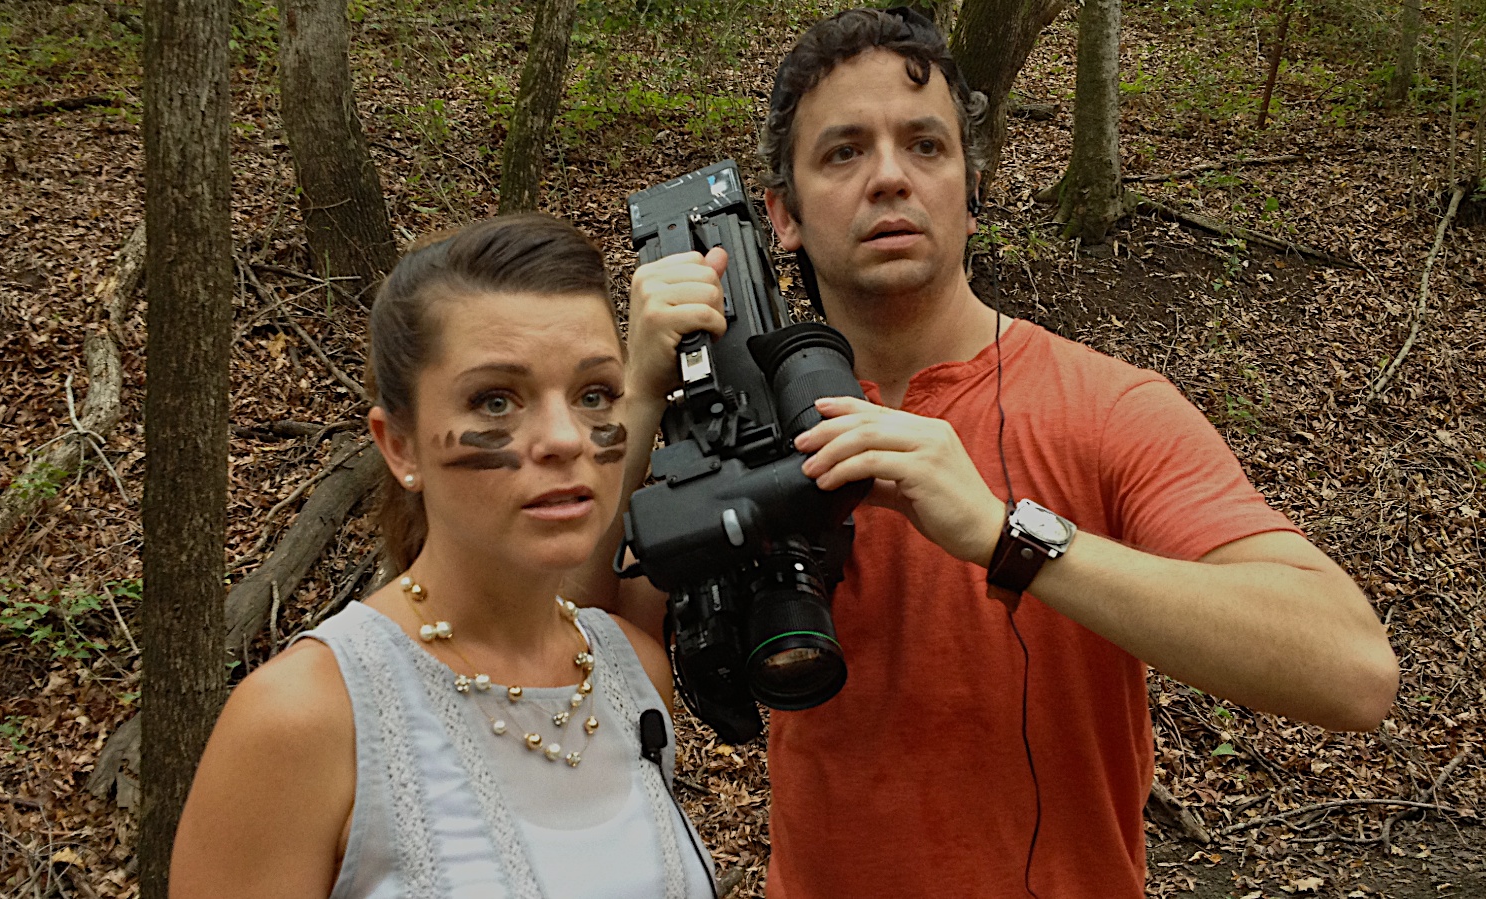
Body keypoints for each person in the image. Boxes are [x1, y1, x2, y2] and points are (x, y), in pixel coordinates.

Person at [582, 8, 1400, 897]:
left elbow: (1352, 671)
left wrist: (1006, 536)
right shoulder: (737, 431)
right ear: (781, 215)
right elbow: (572, 648)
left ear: (973, 191)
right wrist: (635, 399)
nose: (889, 176)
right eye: (844, 152)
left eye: (925, 146)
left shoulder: (1105, 408)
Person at [169, 214, 716, 899]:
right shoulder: (304, 718)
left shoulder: (632, 671)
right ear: (399, 445)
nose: (563, 438)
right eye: (495, 400)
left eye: (594, 394)